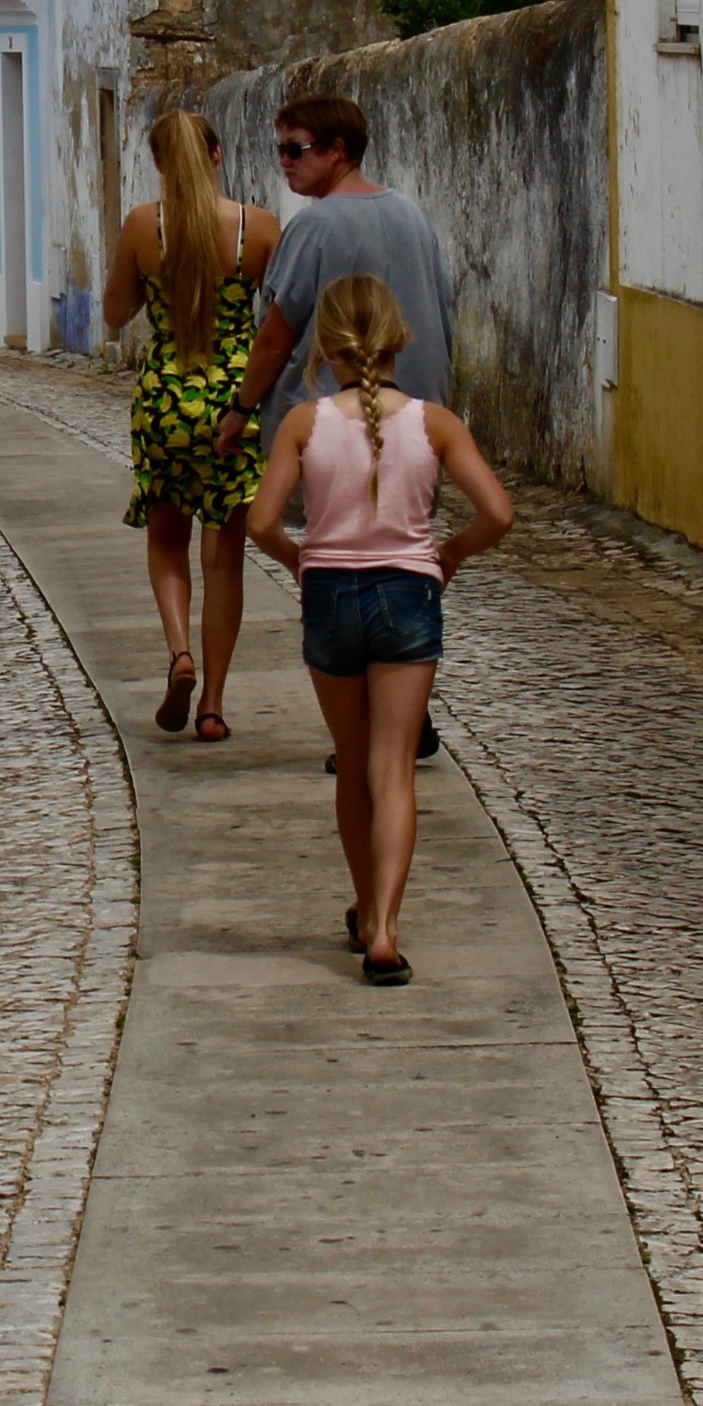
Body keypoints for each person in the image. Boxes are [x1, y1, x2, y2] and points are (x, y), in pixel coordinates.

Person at [247, 275, 515, 987]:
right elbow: (498, 513)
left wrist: (301, 561)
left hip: (330, 595)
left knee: (351, 760)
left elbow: (261, 522)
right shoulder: (435, 423)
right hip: (407, 595)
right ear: (403, 338)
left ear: (324, 348)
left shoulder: (304, 425)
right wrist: (449, 553)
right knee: (393, 768)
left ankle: (365, 907)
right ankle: (387, 933)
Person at [216, 93, 457, 764]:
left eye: (297, 149)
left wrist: (241, 410)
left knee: (344, 560)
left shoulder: (315, 229)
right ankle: (409, 713)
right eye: (280, 150)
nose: (285, 163)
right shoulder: (411, 214)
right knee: (395, 550)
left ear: (337, 151)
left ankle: (369, 728)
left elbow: (275, 335)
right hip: (415, 412)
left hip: (336, 416)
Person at [102, 109, 281, 742]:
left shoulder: (141, 228)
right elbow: (284, 320)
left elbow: (116, 314)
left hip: (165, 400)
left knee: (166, 539)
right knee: (224, 560)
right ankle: (213, 703)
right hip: (236, 403)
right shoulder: (256, 229)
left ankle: (177, 652)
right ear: (217, 153)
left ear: (157, 163)